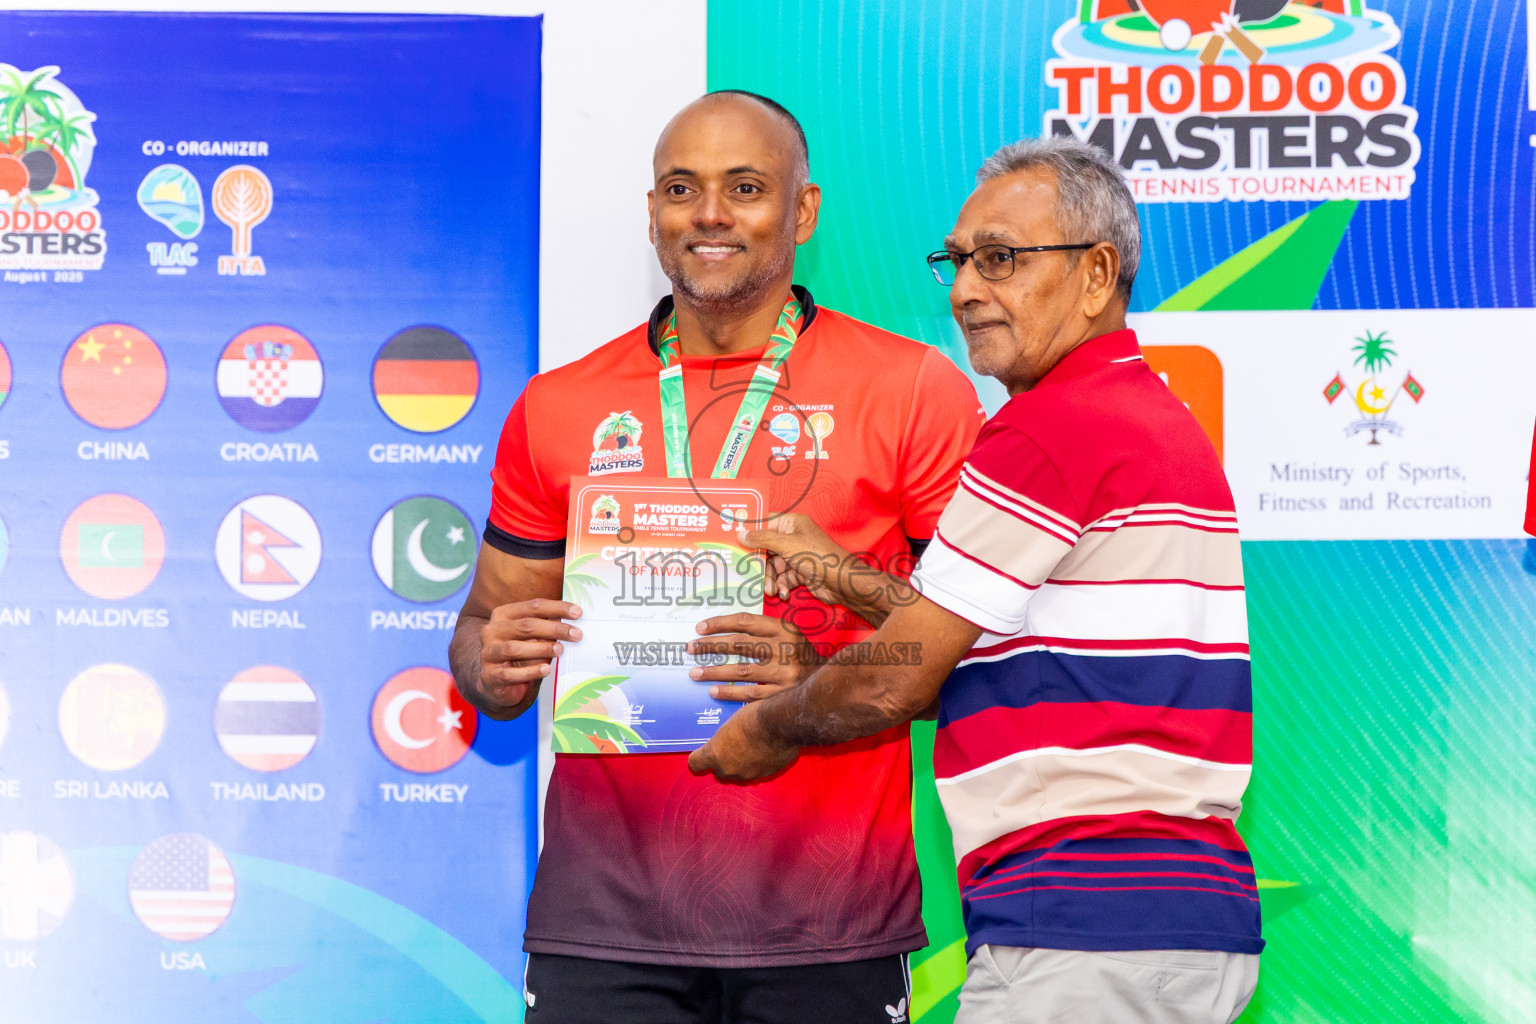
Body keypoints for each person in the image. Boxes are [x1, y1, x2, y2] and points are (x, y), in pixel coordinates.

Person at [691, 135, 1263, 1024]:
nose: (963, 289)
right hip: (1174, 919)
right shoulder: (1144, 414)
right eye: (956, 261)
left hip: (1082, 924)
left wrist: (767, 728)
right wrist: (846, 578)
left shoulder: (1048, 430)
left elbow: (898, 677)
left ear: (1096, 273)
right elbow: (1008, 646)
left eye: (999, 259)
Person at [449, 90, 984, 1023]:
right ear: (652, 212)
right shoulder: (556, 406)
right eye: (680, 188)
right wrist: (490, 664)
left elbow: (975, 658)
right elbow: (482, 636)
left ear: (803, 212)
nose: (708, 214)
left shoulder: (911, 391)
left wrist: (817, 681)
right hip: (603, 924)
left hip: (829, 920)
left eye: (744, 187)